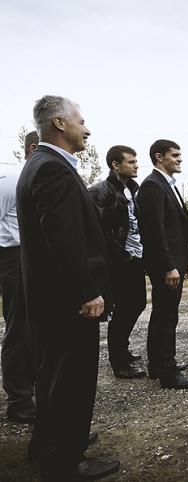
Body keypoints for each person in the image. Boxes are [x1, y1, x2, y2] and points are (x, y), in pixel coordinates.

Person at [17, 95, 119, 479]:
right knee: (72, 379)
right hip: (67, 300)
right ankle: (65, 461)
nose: (87, 128)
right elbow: (64, 238)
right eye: (81, 121)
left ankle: (50, 441)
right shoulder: (51, 169)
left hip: (52, 298)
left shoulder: (40, 164)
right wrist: (87, 291)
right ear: (59, 123)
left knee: (53, 375)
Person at [137, 139, 188, 390]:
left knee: (164, 315)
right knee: (165, 316)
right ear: (159, 157)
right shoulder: (152, 185)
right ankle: (168, 372)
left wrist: (186, 260)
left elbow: (176, 227)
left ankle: (157, 365)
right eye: (175, 155)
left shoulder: (167, 184)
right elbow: (155, 232)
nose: (180, 159)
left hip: (176, 263)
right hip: (167, 267)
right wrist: (168, 267)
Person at [88, 145, 147, 379]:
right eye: (131, 162)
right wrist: (122, 254)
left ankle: (122, 349)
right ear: (115, 165)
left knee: (137, 304)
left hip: (135, 257)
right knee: (123, 309)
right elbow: (98, 231)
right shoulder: (100, 191)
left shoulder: (132, 189)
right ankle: (119, 362)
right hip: (118, 260)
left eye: (135, 161)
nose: (136, 165)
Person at [1, 131, 38, 423]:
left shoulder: (36, 178)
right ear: (34, 148)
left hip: (32, 256)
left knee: (37, 327)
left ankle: (34, 387)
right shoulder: (11, 181)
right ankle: (18, 400)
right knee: (19, 329)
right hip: (13, 259)